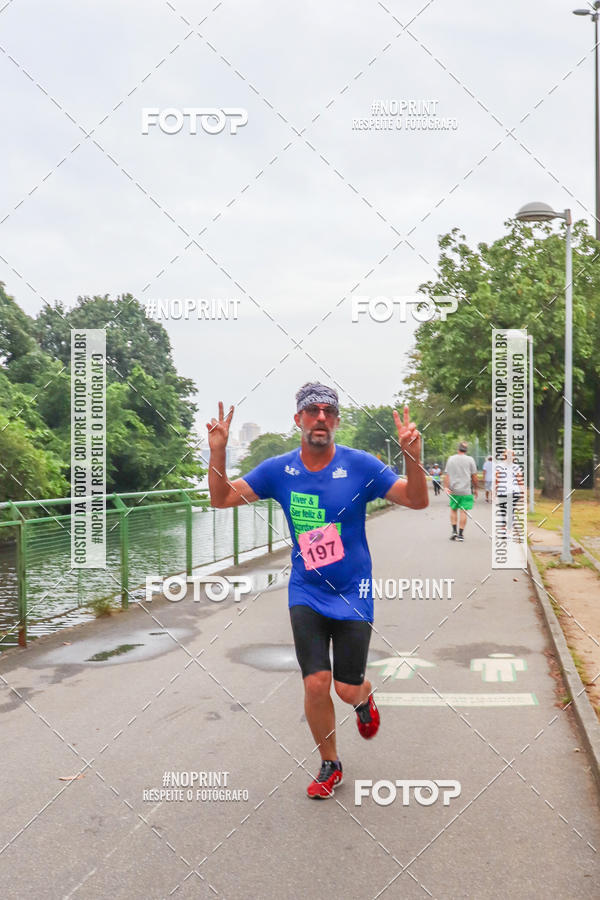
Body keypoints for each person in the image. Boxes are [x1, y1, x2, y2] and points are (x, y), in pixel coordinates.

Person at [206, 383, 428, 800]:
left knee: (345, 688)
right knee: (315, 683)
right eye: (312, 411)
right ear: (299, 420)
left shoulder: (360, 466)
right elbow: (220, 499)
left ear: (337, 421)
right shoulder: (278, 470)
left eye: (328, 411)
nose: (320, 417)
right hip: (306, 590)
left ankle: (363, 697)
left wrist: (411, 458)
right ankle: (330, 763)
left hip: (353, 591)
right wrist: (217, 452)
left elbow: (417, 500)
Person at [443, 441, 478, 542]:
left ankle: (454, 531)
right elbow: (474, 477)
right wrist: (476, 489)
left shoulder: (451, 459)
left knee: (453, 510)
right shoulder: (470, 459)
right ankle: (461, 535)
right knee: (463, 512)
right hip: (466, 490)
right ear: (466, 450)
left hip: (454, 490)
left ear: (458, 449)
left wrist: (446, 487)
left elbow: (447, 475)